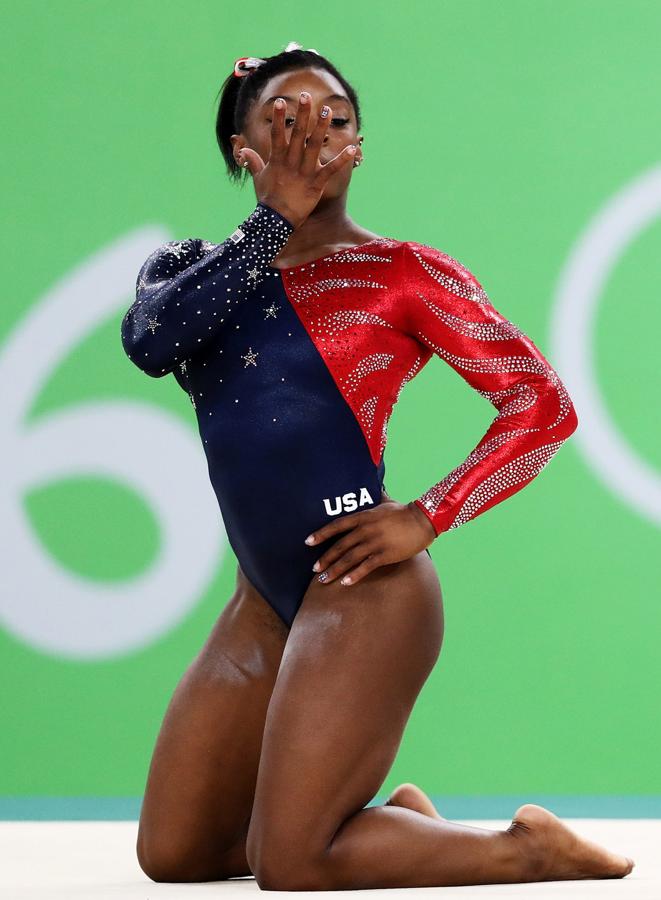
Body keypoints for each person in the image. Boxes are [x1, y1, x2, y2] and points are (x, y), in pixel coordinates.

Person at [120, 42, 634, 890]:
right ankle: (403, 829)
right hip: (263, 596)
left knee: (290, 865)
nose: (313, 133)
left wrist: (427, 514)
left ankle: (529, 847)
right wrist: (273, 223)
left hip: (364, 587)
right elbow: (152, 343)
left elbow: (541, 407)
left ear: (358, 143)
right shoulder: (185, 271)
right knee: (174, 856)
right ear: (239, 148)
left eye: (335, 117)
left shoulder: (398, 273)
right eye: (285, 117)